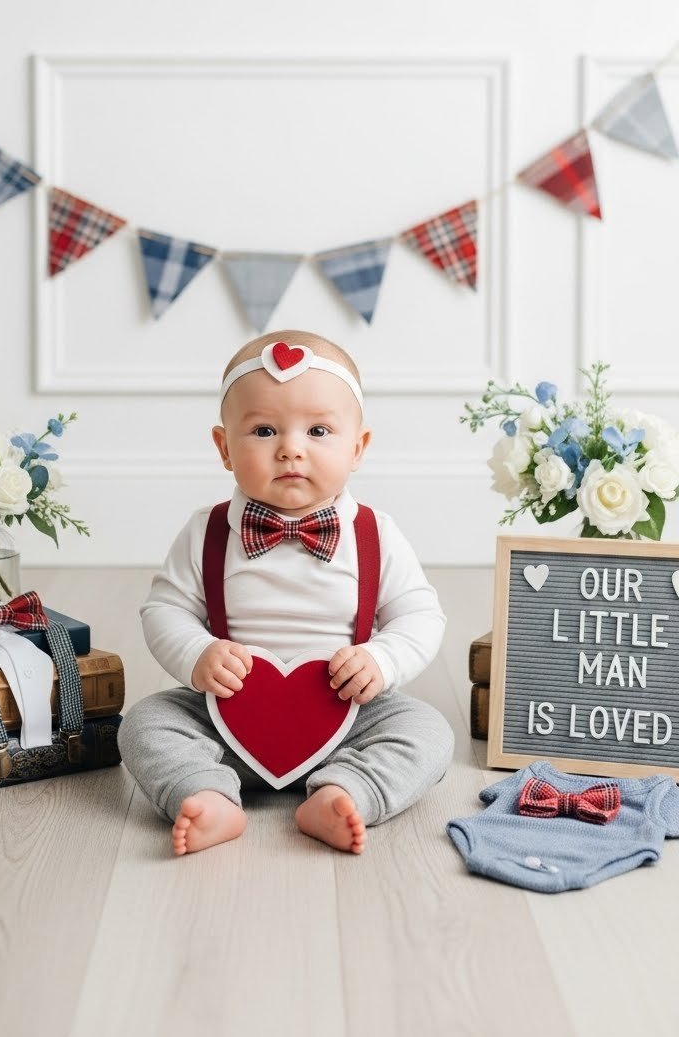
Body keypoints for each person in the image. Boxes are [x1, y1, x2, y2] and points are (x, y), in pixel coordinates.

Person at [119, 329, 453, 856]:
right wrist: (196, 653)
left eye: (319, 430)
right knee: (146, 722)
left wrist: (381, 661)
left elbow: (420, 615)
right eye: (265, 430)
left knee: (428, 730)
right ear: (225, 448)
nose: (291, 449)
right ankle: (206, 793)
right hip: (229, 717)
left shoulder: (376, 533)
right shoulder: (206, 531)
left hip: (348, 716)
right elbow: (166, 608)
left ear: (358, 447)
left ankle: (347, 790)